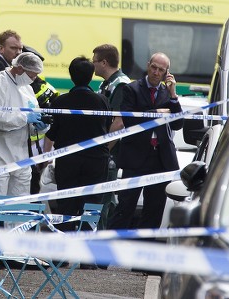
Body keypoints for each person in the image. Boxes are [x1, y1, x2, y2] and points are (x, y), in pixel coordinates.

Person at [108, 52, 183, 230]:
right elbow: (130, 121)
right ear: (148, 65)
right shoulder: (131, 89)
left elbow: (178, 123)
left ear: (167, 73)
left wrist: (173, 96)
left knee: (154, 210)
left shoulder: (167, 93)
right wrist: (158, 114)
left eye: (161, 70)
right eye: (153, 67)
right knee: (125, 207)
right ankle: (108, 251)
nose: (156, 72)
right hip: (135, 158)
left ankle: (144, 250)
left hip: (160, 159)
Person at [43, 56, 111, 232]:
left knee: (66, 206)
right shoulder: (102, 101)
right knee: (92, 207)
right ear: (91, 76)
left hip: (68, 162)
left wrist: (45, 159)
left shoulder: (61, 102)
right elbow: (108, 127)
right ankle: (87, 256)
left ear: (71, 76)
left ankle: (64, 255)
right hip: (96, 161)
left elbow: (51, 134)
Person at [0, 52, 47, 200]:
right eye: (32, 76)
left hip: (20, 156)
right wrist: (25, 117)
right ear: (19, 69)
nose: (34, 80)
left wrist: (40, 125)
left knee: (17, 210)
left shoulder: (26, 88)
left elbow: (30, 119)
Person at [92, 44, 131, 229]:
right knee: (108, 201)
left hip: (111, 154)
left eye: (95, 62)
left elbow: (119, 122)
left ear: (104, 63)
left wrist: (103, 149)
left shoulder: (121, 85)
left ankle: (99, 252)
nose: (93, 66)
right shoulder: (107, 84)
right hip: (107, 152)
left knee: (103, 202)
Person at [22, 45, 61, 194]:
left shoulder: (40, 89)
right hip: (27, 145)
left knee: (32, 186)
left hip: (36, 146)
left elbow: (54, 123)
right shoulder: (31, 85)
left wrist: (47, 153)